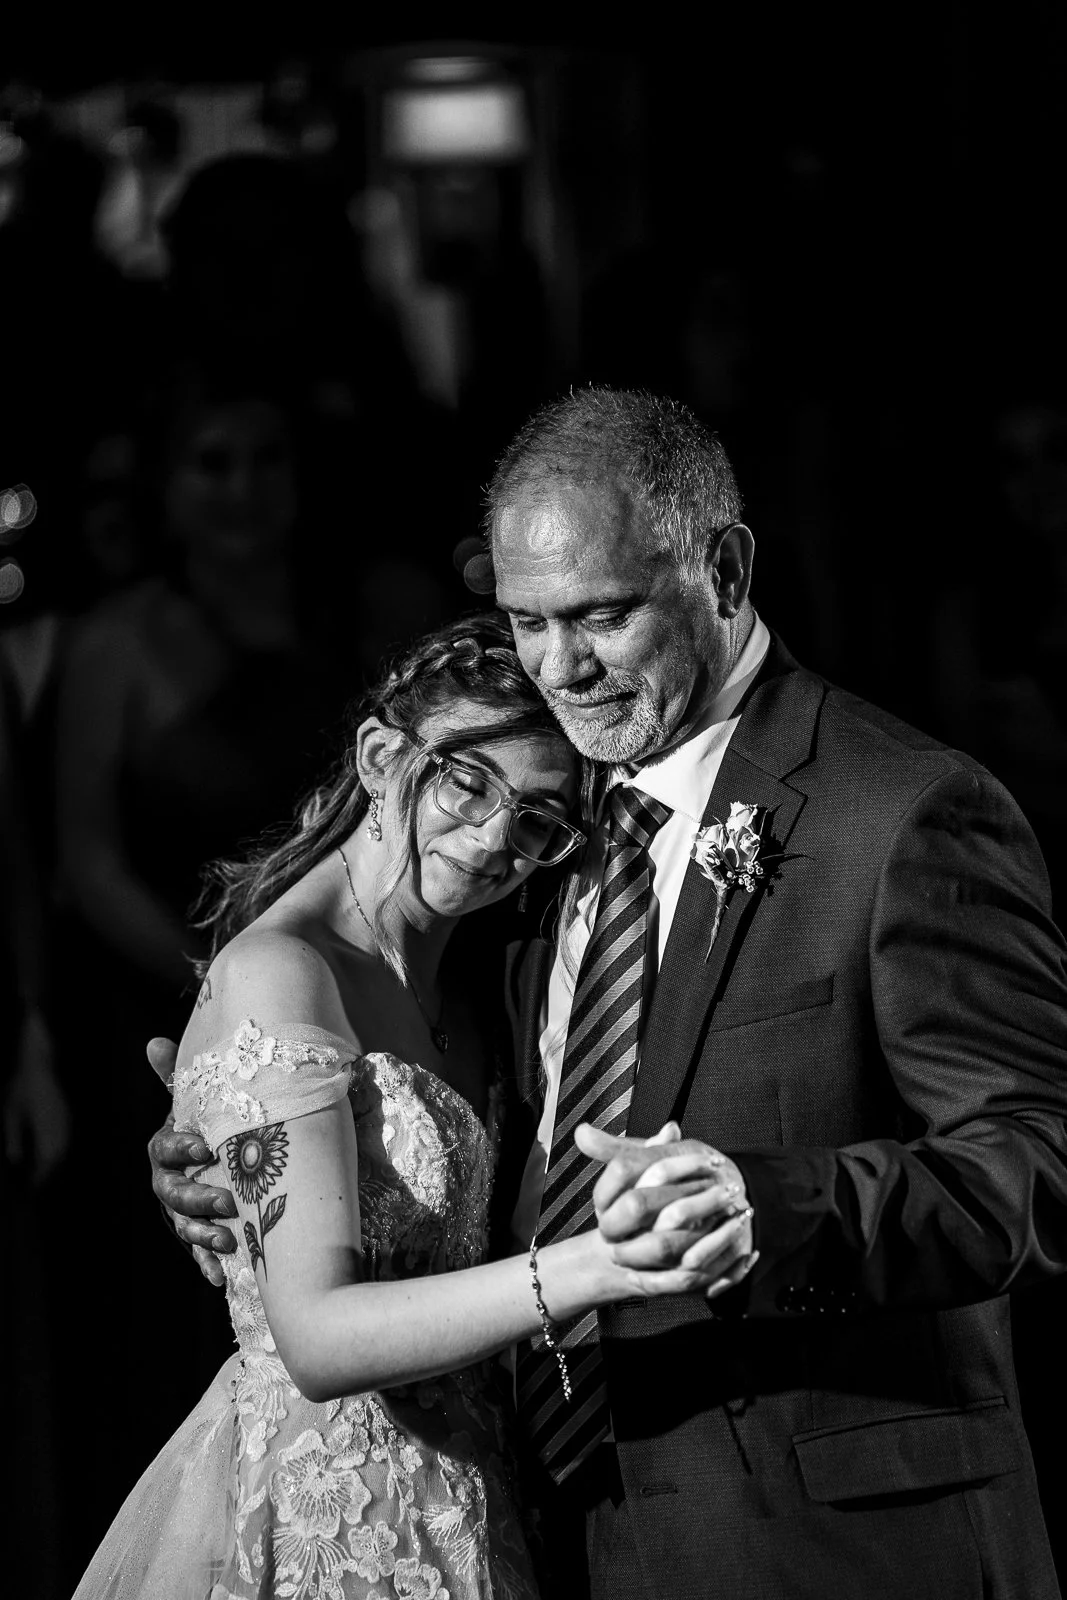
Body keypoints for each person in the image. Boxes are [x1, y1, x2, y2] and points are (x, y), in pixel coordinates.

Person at [153, 388, 1067, 1599]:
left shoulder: (899, 812)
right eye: (525, 620)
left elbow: (1025, 1172)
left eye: (601, 615)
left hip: (831, 1544)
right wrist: (232, 1145)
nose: (559, 665)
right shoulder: (534, 828)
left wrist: (772, 1205)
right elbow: (395, 1092)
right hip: (554, 1527)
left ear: (723, 570)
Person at [80, 610, 752, 1600]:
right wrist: (599, 1264)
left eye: (536, 818)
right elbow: (317, 1339)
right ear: (380, 756)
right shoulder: (282, 973)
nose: (492, 840)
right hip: (332, 1516)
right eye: (466, 782)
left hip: (479, 1501)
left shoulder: (475, 984)